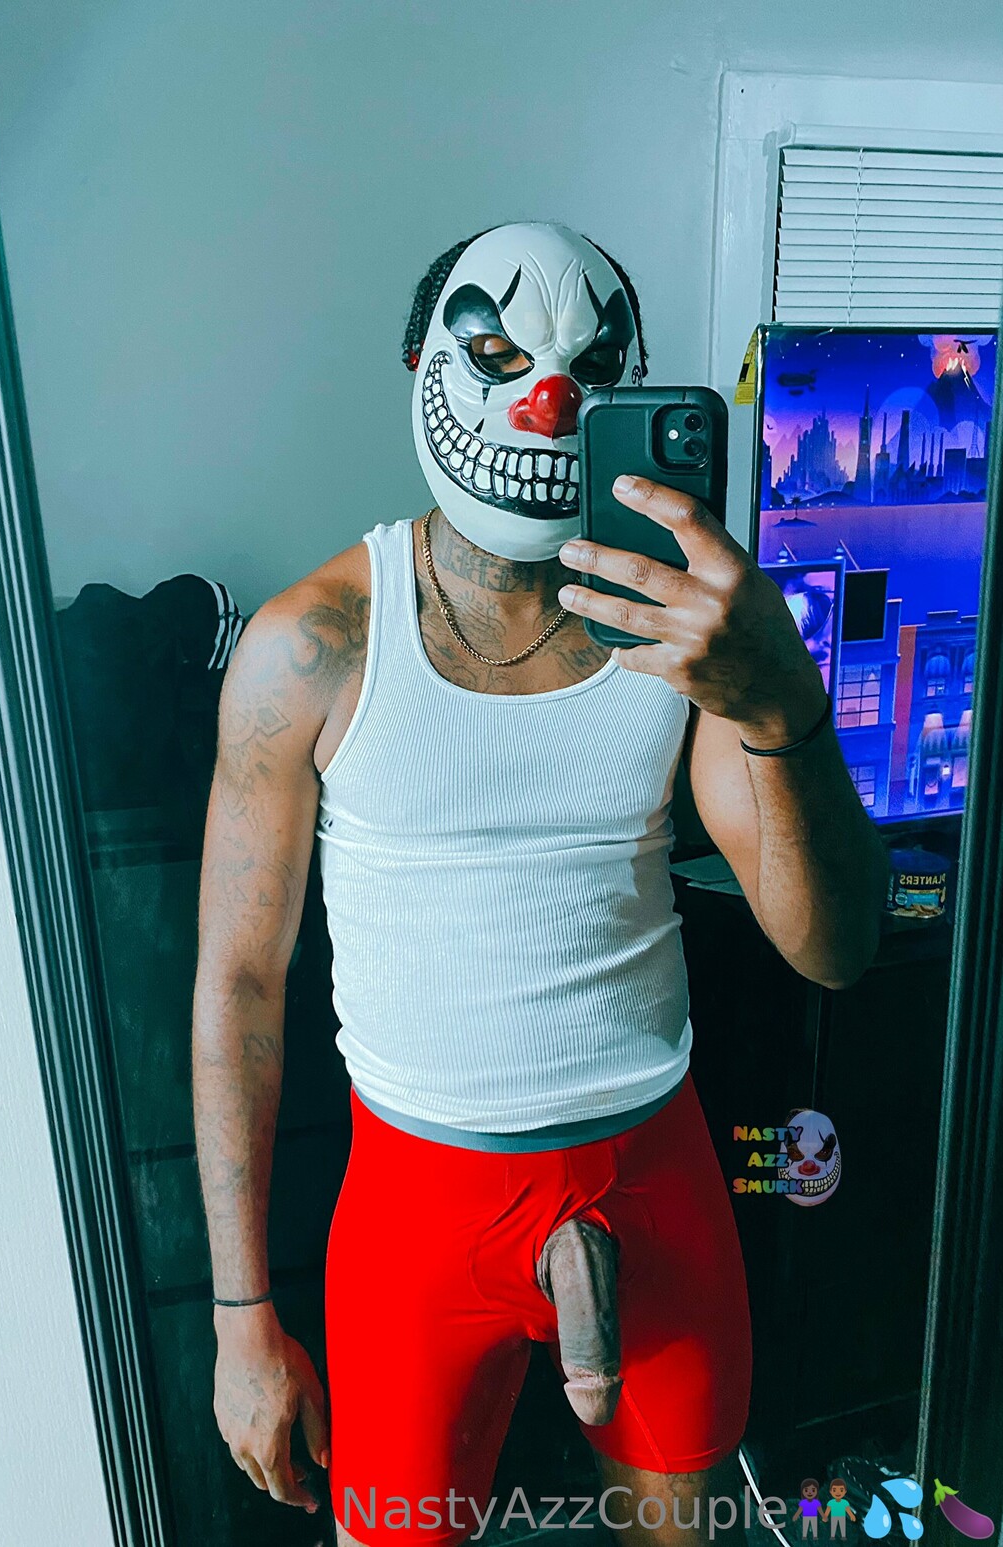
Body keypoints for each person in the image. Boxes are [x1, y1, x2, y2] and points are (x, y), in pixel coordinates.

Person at [192, 222, 889, 1547]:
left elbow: (836, 947)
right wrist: (241, 1317)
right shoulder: (314, 644)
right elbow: (237, 982)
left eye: (589, 371)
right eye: (500, 355)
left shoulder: (685, 636)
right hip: (414, 1212)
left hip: (652, 1172)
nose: (547, 401)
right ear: (421, 366)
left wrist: (779, 700)